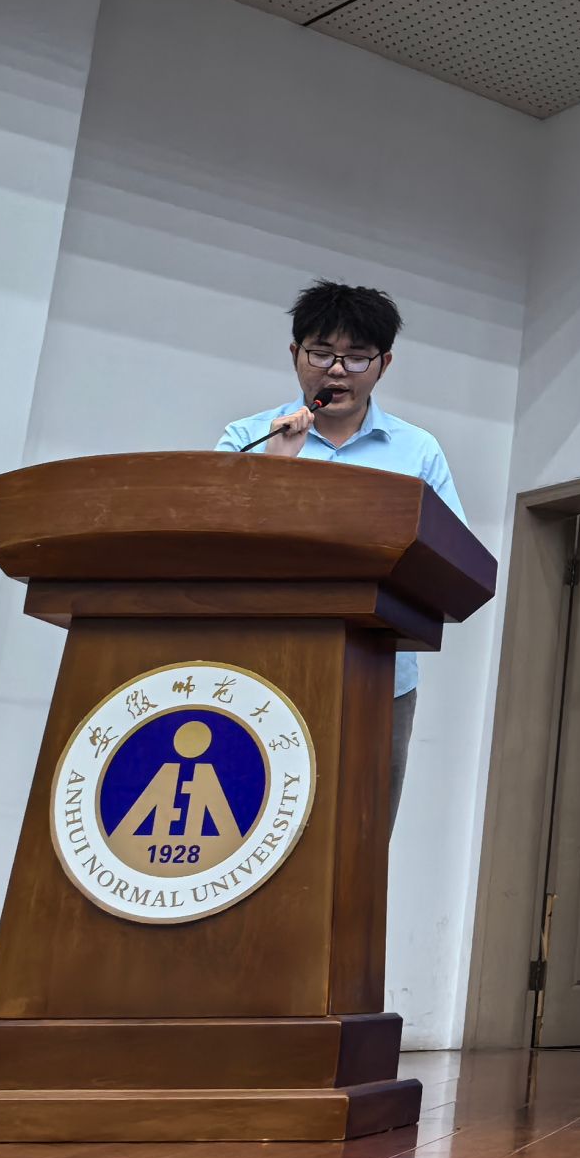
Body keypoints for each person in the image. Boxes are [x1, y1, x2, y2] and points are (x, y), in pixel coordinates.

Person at [215, 280, 460, 818]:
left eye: (356, 357)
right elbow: (210, 546)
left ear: (383, 364)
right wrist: (275, 471)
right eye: (321, 353)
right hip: (259, 663)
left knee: (361, 830)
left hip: (379, 676)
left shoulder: (418, 451)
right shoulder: (248, 438)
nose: (337, 371)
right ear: (295, 354)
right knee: (248, 822)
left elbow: (450, 564)